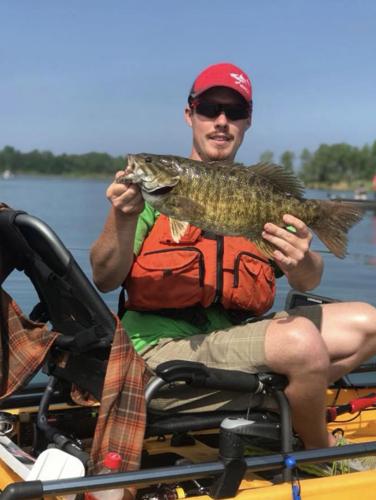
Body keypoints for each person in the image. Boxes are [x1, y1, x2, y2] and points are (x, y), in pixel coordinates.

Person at [90, 63, 376, 467]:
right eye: (209, 108)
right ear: (190, 114)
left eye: (234, 112)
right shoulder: (146, 200)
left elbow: (308, 275)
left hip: (232, 340)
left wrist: (302, 260)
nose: (221, 121)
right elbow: (103, 278)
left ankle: (278, 402)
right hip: (159, 353)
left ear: (247, 122)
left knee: (368, 323)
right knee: (303, 344)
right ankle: (318, 454)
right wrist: (121, 218)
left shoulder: (255, 190)